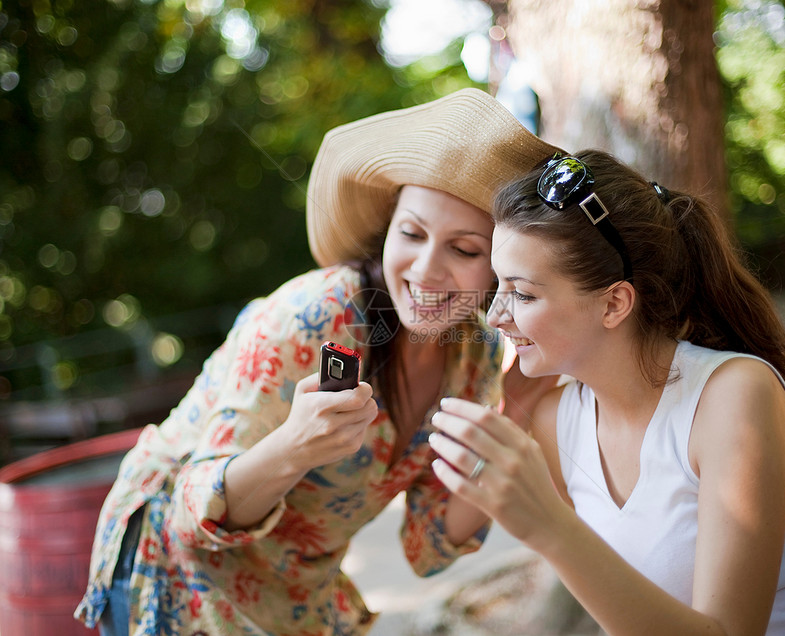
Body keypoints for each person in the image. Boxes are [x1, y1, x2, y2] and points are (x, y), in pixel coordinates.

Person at [74, 88, 560, 636]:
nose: (426, 269)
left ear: (498, 267)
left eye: (465, 249)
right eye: (412, 233)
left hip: (295, 588)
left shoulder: (476, 361)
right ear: (385, 233)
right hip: (174, 574)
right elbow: (193, 517)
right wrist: (295, 446)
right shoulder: (319, 315)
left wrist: (512, 412)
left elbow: (429, 547)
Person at [429, 150, 785, 635]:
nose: (495, 316)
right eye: (498, 287)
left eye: (523, 294)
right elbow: (443, 535)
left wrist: (550, 528)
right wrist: (512, 409)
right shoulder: (555, 421)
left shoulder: (734, 398)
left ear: (614, 302)